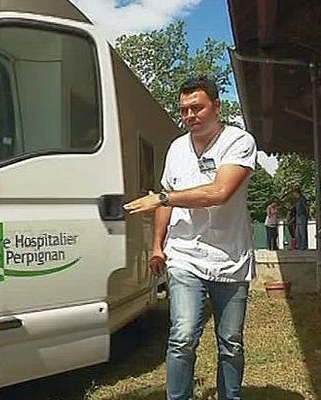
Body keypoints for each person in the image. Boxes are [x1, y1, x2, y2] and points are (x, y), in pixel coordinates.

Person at [123, 76, 256, 400]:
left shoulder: (239, 141)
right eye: (183, 110)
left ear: (216, 107)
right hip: (184, 255)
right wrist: (157, 246)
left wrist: (163, 199)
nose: (189, 115)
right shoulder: (176, 148)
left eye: (197, 107)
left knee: (231, 343)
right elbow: (167, 197)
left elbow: (220, 192)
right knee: (182, 335)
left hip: (230, 259)